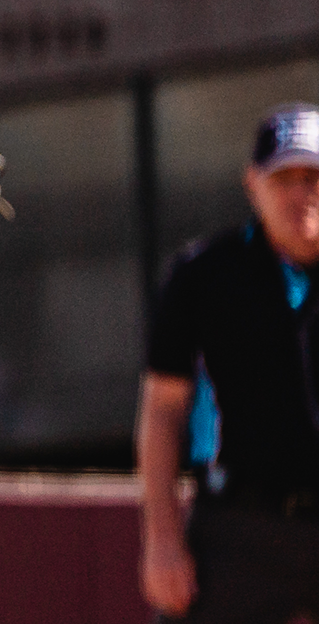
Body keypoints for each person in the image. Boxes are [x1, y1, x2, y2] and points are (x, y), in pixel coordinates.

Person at [137, 103, 319, 623]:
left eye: (313, 176)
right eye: (284, 176)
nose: (300, 192)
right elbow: (163, 410)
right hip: (238, 528)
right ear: (252, 184)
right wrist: (163, 540)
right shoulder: (205, 275)